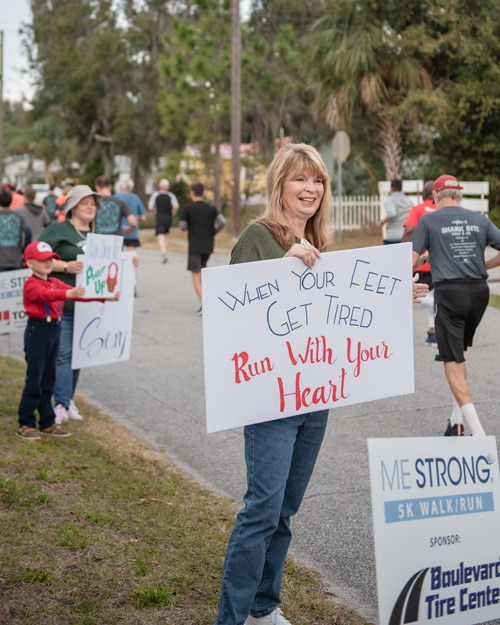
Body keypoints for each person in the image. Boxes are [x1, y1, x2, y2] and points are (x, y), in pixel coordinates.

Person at [212, 143, 428, 625]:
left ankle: (264, 607)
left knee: (286, 509)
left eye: (318, 181)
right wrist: (280, 263)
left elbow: (334, 314)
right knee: (261, 510)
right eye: (299, 179)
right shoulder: (259, 236)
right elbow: (233, 311)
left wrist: (394, 295)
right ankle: (231, 618)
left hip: (315, 398)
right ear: (280, 186)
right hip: (271, 399)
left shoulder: (322, 243)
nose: (310, 189)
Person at [38, 185, 139, 424]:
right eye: (85, 202)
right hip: (63, 304)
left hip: (88, 305)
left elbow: (110, 269)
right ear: (73, 206)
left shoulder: (98, 237)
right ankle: (60, 404)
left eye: (93, 203)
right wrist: (65, 266)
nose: (91, 207)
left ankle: (67, 400)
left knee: (78, 356)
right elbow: (35, 258)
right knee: (62, 355)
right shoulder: (58, 229)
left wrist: (129, 261)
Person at [411, 174, 500, 437]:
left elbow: (410, 260)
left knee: (451, 361)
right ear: (459, 195)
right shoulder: (479, 219)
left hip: (451, 293)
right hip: (479, 293)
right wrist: (483, 265)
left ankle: (479, 436)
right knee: (458, 352)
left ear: (435, 196)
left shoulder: (428, 220)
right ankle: (456, 423)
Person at [179, 181, 226, 314]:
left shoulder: (187, 208)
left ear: (192, 193)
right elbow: (223, 221)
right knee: (202, 274)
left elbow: (182, 227)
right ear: (203, 193)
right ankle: (204, 302)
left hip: (195, 247)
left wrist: (188, 224)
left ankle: (206, 305)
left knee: (195, 277)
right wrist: (214, 232)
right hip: (208, 246)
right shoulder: (211, 208)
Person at [401, 180, 437, 345]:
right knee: (430, 295)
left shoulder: (418, 209)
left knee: (411, 295)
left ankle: (443, 304)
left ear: (424, 195)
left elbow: (409, 229)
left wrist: (400, 249)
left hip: (421, 262)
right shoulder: (442, 210)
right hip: (439, 263)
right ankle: (433, 332)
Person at [147, 178, 179, 263]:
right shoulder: (171, 195)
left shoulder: (155, 195)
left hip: (160, 217)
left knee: (160, 235)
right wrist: (173, 212)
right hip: (168, 217)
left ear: (160, 186)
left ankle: (164, 252)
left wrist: (154, 209)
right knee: (165, 235)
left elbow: (150, 207)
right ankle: (165, 251)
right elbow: (176, 206)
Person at [0, 188, 32, 271]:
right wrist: (24, 249)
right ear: (11, 201)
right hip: (15, 258)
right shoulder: (19, 216)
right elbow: (28, 233)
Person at [114, 178, 147, 251]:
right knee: (130, 257)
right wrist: (136, 219)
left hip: (117, 231)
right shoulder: (136, 198)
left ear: (121, 187)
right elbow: (143, 217)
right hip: (132, 232)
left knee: (117, 256)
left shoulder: (116, 197)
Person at [378, 179, 413, 244]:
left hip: (393, 236)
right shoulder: (409, 201)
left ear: (391, 188)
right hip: (406, 236)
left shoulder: (389, 200)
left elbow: (392, 213)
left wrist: (382, 222)